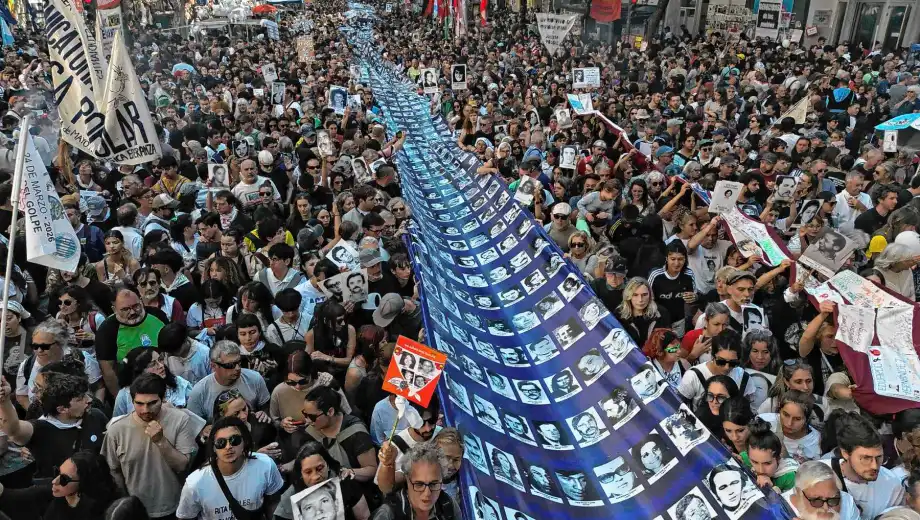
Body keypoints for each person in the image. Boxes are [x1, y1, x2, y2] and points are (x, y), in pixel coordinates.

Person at [103, 373, 198, 519]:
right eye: (139, 403)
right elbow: (113, 471)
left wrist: (161, 441)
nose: (145, 409)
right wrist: (126, 502)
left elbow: (182, 466)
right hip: (135, 512)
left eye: (152, 403)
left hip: (174, 507)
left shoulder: (180, 420)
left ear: (163, 398)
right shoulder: (116, 429)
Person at [176, 416, 284, 519]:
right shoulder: (195, 483)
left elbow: (273, 502)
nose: (228, 447)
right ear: (213, 447)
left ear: (245, 441)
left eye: (234, 440)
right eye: (220, 443)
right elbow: (186, 517)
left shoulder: (265, 465)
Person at [0, 450, 117, 520]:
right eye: (58, 472)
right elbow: (21, 496)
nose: (54, 481)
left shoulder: (98, 511)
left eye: (64, 479)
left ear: (84, 483)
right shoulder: (58, 493)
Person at [371, 442, 461, 520]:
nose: (427, 493)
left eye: (434, 484)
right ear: (407, 480)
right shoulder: (388, 514)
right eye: (419, 484)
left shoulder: (449, 506)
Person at [782, 461, 860, 520]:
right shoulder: (777, 510)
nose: (826, 508)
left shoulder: (847, 501)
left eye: (833, 500)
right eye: (816, 500)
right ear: (798, 494)